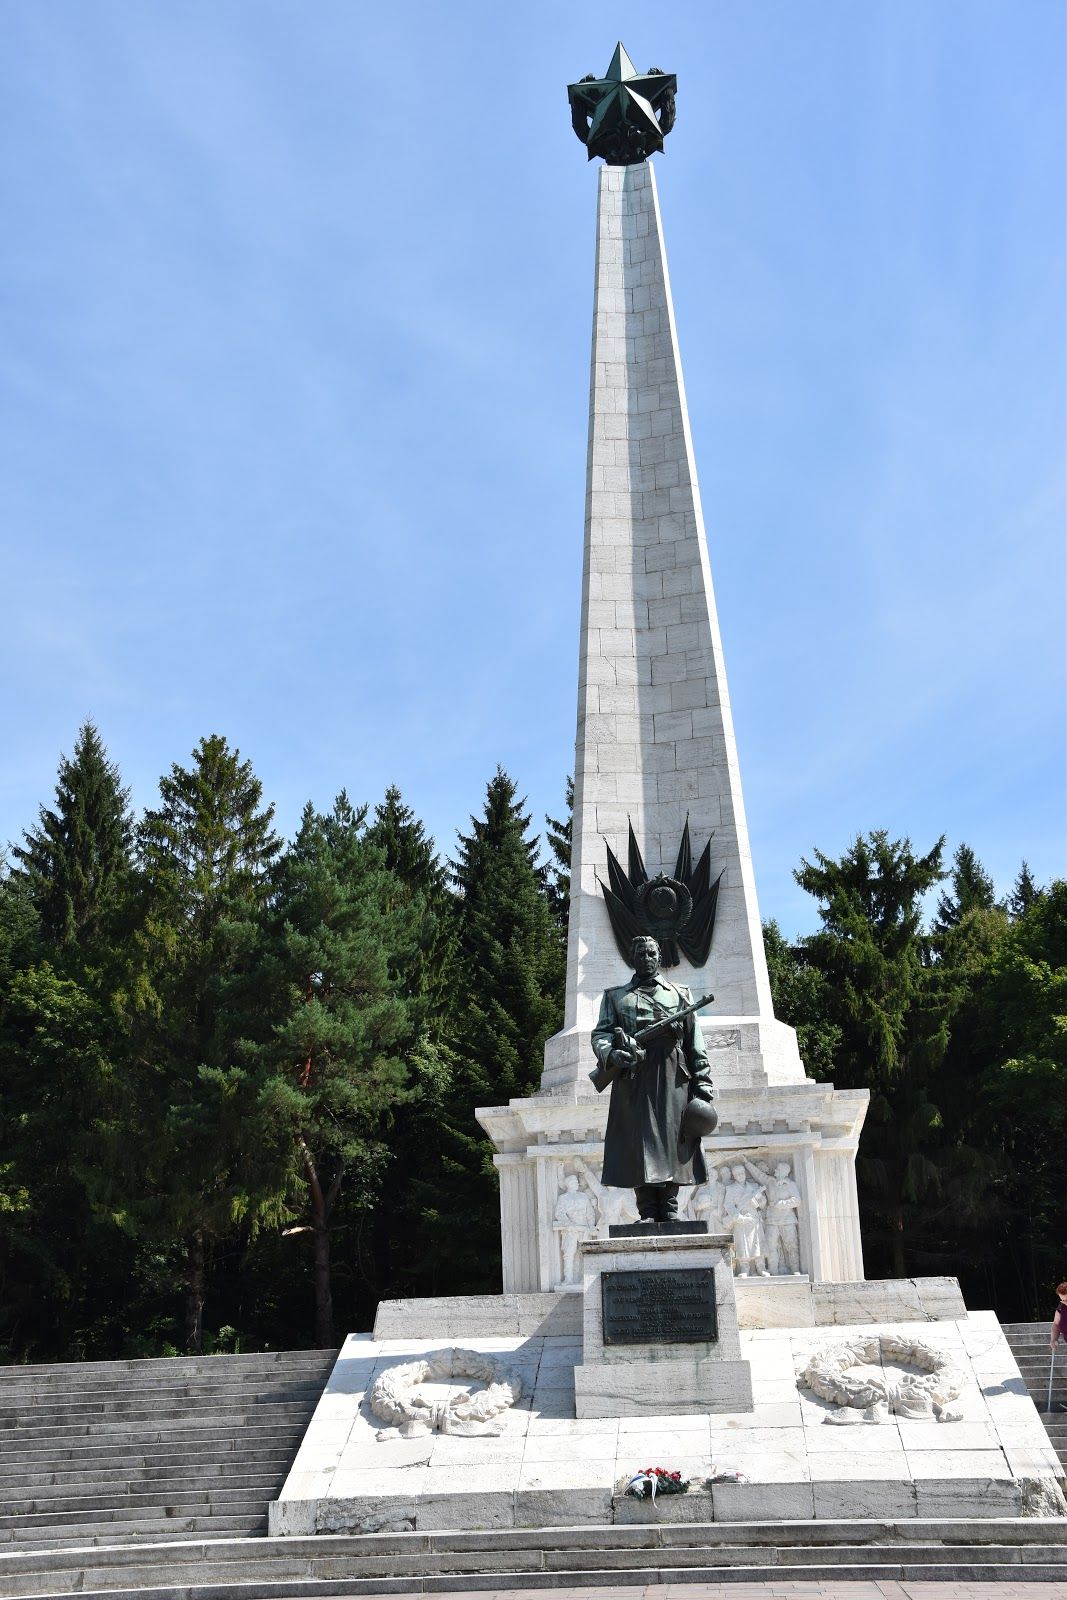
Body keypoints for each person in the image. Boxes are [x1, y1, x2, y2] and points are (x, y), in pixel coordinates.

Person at [590, 934, 715, 1223]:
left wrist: (703, 1084)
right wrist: (613, 1055)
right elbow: (601, 1035)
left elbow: (696, 1044)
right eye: (641, 954)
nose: (646, 959)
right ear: (632, 958)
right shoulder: (615, 996)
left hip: (674, 1076)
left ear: (659, 958)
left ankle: (670, 1208)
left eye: (651, 954)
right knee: (639, 1141)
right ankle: (647, 1210)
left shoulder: (680, 994)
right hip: (634, 1076)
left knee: (675, 1140)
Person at [1050, 1283, 1067, 1351]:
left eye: (1066, 1300)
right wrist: (1053, 1339)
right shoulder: (1061, 1306)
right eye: (1062, 1300)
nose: (1064, 1302)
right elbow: (1056, 1324)